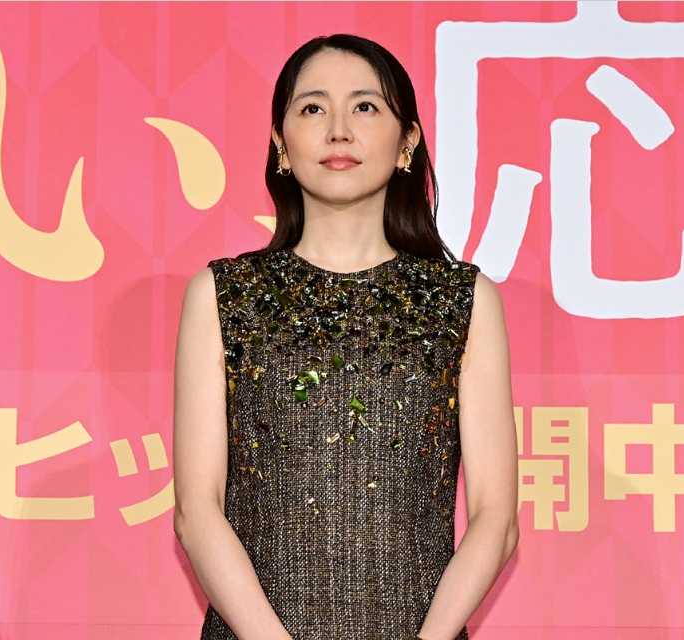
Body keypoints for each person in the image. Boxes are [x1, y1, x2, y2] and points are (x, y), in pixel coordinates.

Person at [173, 33, 518, 640]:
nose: (338, 131)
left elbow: (496, 518)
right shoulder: (222, 295)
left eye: (364, 107)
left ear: (407, 141)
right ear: (281, 143)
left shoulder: (463, 301)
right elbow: (197, 512)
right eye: (312, 108)